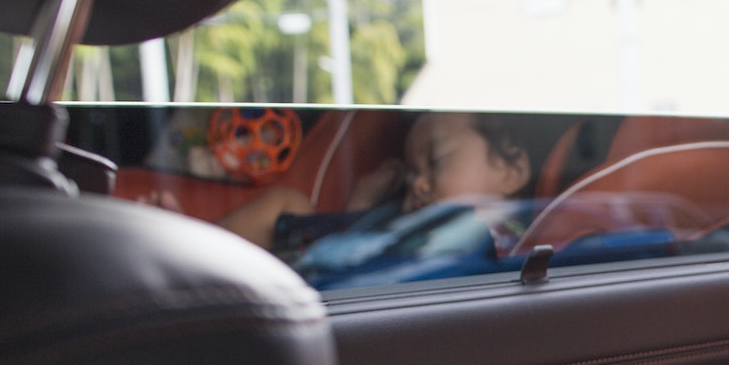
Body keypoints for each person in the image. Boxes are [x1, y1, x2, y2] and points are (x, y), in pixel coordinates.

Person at [214, 110, 536, 270]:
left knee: (287, 203)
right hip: (331, 258)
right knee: (287, 202)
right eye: (411, 175)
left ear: (512, 170)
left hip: (326, 274)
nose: (417, 183)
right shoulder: (442, 225)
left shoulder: (500, 236)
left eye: (436, 161)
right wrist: (364, 204)